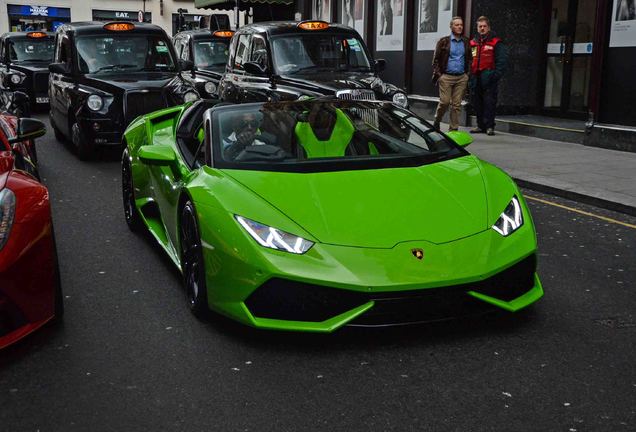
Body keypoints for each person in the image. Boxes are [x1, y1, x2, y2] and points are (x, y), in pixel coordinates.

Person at [431, 16, 471, 132]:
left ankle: (453, 130)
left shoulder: (466, 41)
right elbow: (435, 60)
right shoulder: (443, 41)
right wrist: (440, 75)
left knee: (456, 105)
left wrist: (467, 74)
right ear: (451, 26)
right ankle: (437, 121)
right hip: (446, 77)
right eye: (457, 25)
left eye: (461, 25)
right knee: (444, 102)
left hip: (461, 77)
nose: (459, 27)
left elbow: (470, 58)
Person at [469, 16, 507, 136]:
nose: (482, 28)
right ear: (477, 28)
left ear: (488, 27)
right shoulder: (473, 42)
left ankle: (490, 126)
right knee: (477, 103)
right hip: (476, 77)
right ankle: (480, 126)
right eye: (480, 26)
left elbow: (502, 61)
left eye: (484, 26)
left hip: (489, 78)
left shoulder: (496, 42)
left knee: (489, 103)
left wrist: (495, 75)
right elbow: (469, 60)